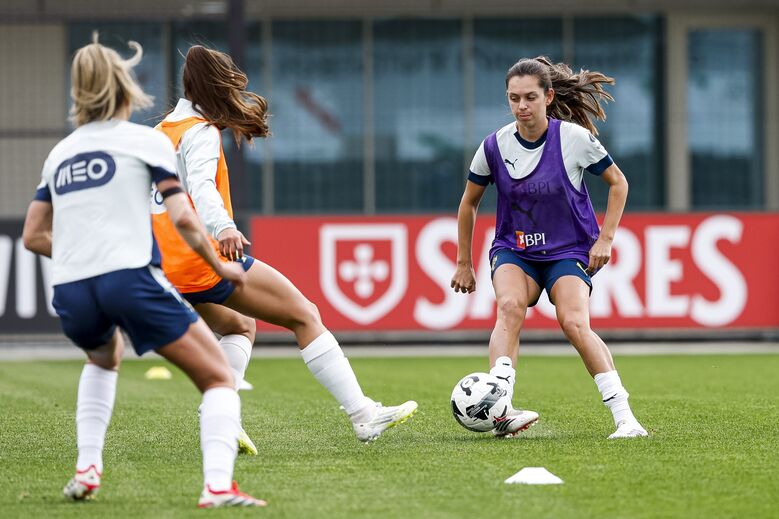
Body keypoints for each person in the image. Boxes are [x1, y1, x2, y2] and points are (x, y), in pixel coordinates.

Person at [22, 35, 266, 508]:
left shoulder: (62, 153)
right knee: (218, 376)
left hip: (72, 288)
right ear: (124, 86)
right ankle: (218, 486)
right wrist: (222, 267)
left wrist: (83, 255)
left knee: (102, 357)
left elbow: (33, 235)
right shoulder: (145, 141)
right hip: (128, 279)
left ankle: (87, 467)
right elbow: (182, 217)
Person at [151, 45, 417, 444]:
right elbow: (203, 189)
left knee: (240, 326)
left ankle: (219, 416)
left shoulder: (158, 135)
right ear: (214, 87)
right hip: (202, 259)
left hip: (164, 266)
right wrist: (224, 227)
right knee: (304, 315)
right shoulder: (201, 133)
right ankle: (364, 415)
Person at [450, 57, 647, 439]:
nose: (521, 106)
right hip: (515, 250)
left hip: (568, 251)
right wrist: (463, 262)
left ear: (548, 96)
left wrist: (605, 239)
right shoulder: (493, 146)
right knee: (508, 308)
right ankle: (501, 408)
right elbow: (468, 203)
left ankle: (625, 418)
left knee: (573, 323)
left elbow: (618, 183)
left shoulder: (573, 139)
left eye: (529, 97)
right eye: (513, 98)